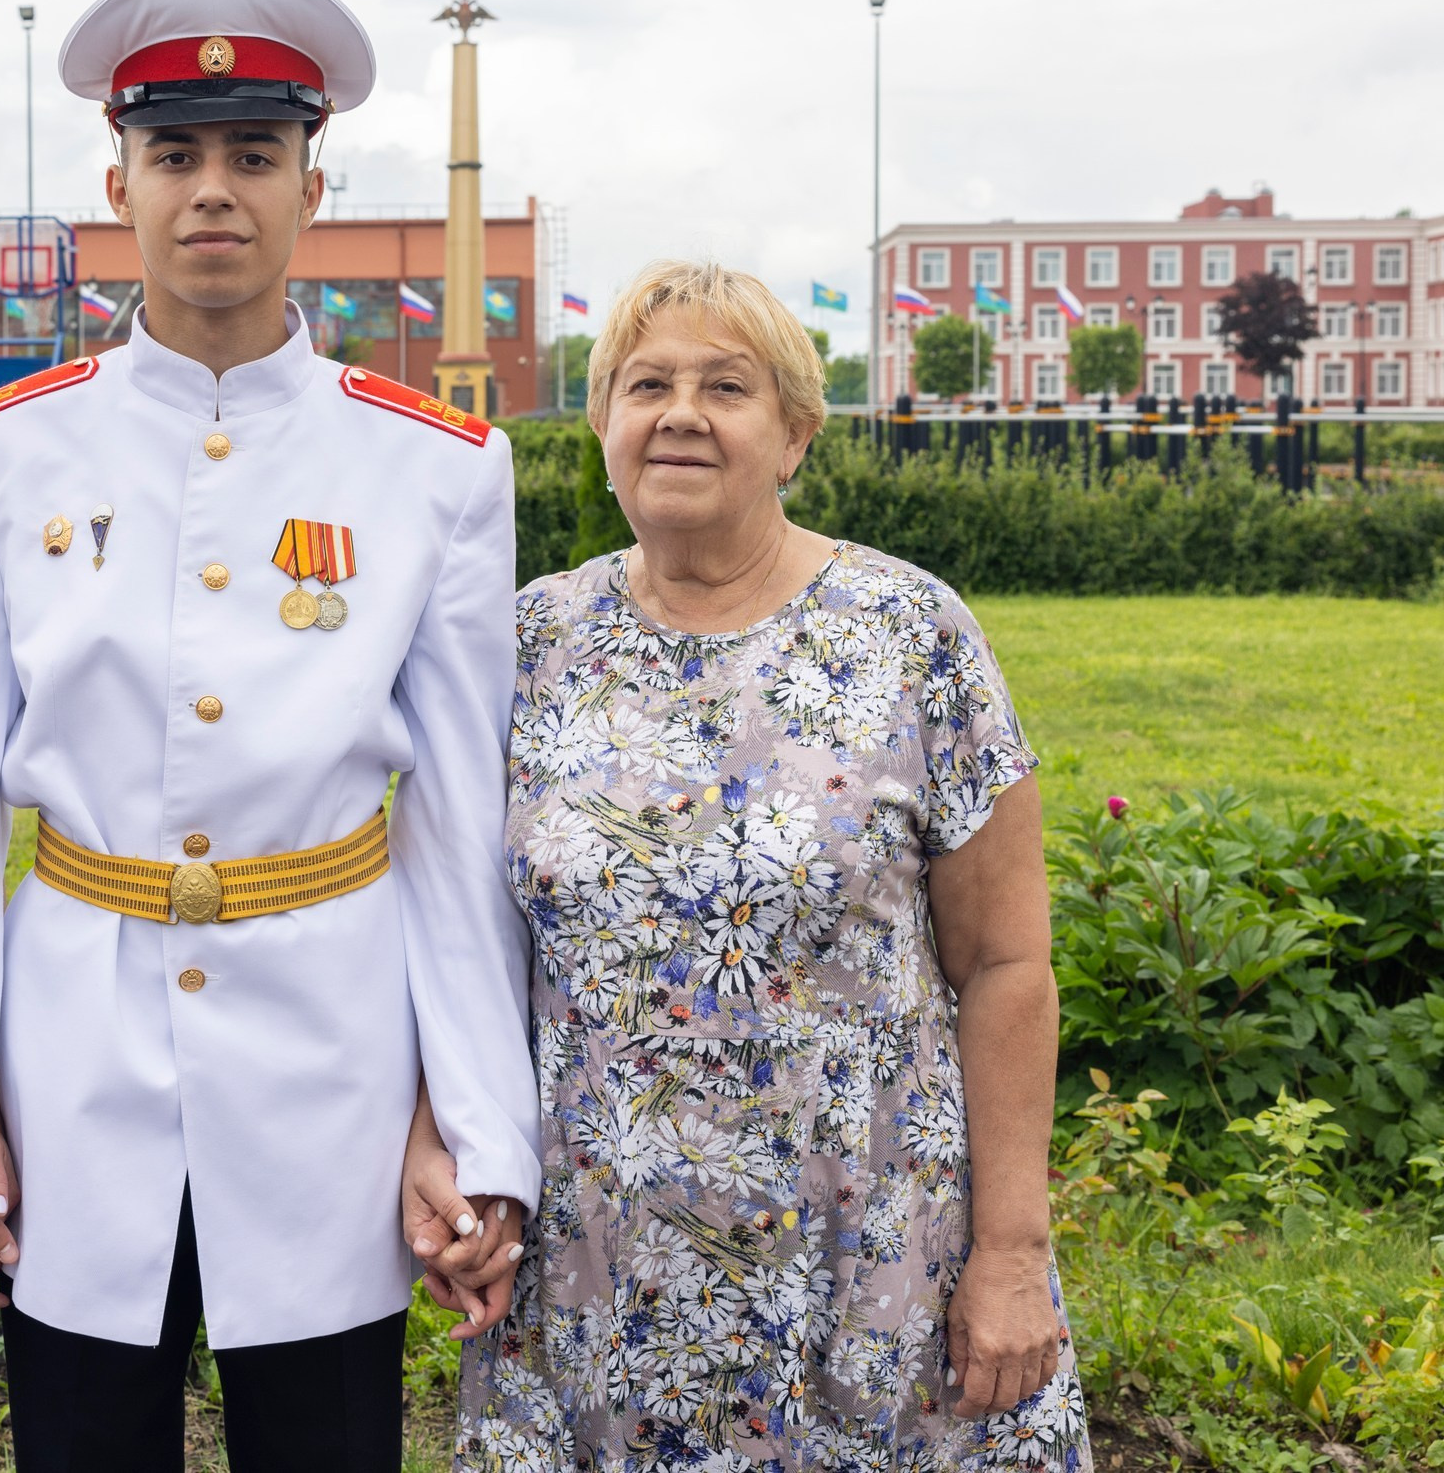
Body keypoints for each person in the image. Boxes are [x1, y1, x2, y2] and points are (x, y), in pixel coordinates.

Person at [0, 0, 541, 1473]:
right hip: (74, 1060)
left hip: (329, 1066)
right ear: (118, 181)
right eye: (175, 155)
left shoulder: (435, 469)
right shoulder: (0, 454)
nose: (213, 191)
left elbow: (453, 830)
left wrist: (481, 1131)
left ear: (314, 184)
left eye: (255, 155)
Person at [447, 260, 1089, 1471]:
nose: (679, 412)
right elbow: (457, 940)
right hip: (601, 1281)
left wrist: (1010, 1252)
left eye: (725, 386)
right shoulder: (525, 643)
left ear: (793, 435)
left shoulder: (911, 634)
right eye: (646, 384)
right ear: (603, 429)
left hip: (874, 1265)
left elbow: (1006, 961)